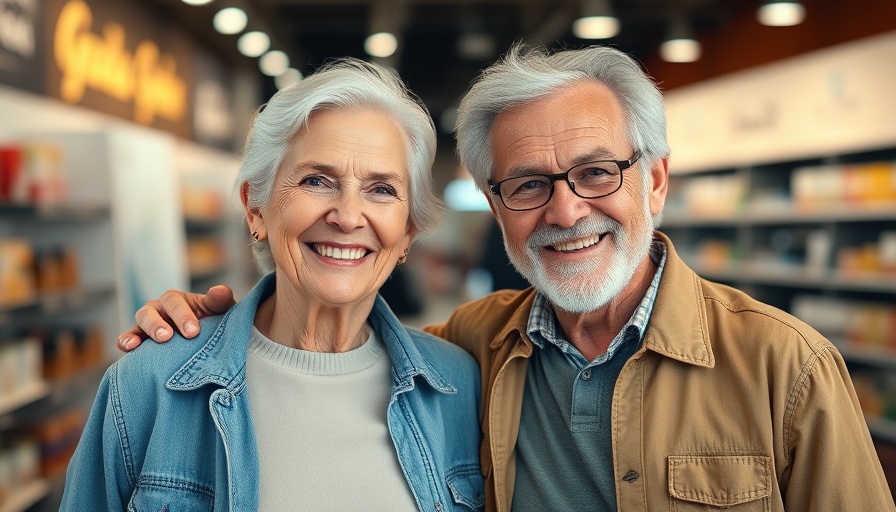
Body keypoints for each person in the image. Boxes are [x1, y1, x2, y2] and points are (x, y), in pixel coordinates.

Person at [117, 44, 896, 511]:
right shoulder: (467, 355)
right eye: (527, 184)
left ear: (655, 182)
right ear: (496, 206)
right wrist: (197, 323)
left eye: (596, 172)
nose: (565, 211)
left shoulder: (785, 369)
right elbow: (324, 347)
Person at [61, 58, 485, 511]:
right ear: (256, 208)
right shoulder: (150, 382)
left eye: (381, 189)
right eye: (317, 181)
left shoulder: (460, 385)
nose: (347, 216)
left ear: (407, 233)